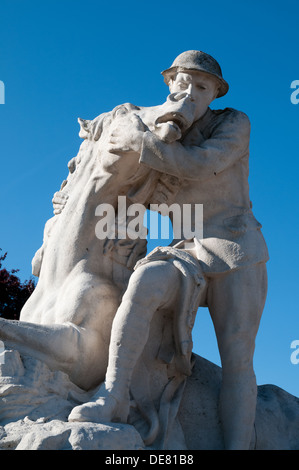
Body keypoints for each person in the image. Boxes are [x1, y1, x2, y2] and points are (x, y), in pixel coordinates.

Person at [69, 50, 269, 450]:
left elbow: (199, 165)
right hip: (188, 248)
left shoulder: (232, 123)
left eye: (201, 86)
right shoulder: (161, 131)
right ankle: (113, 396)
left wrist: (139, 141)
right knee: (144, 282)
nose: (190, 92)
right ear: (169, 84)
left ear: (215, 93)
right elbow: (123, 192)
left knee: (237, 357)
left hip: (236, 248)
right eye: (182, 82)